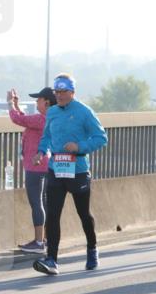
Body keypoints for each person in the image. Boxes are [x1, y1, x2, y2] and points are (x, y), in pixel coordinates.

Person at [32, 73, 108, 276]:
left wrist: (79, 146)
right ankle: (51, 260)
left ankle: (92, 249)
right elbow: (47, 135)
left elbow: (101, 137)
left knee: (83, 214)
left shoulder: (84, 112)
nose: (59, 95)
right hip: (56, 169)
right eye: (56, 92)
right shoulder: (53, 112)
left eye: (63, 92)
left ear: (72, 92)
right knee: (53, 215)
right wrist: (41, 151)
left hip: (78, 170)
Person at [7, 86, 55, 253]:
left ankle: (38, 241)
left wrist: (9, 104)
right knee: (44, 202)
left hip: (35, 166)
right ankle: (46, 239)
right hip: (45, 165)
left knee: (36, 202)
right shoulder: (47, 118)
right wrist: (17, 105)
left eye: (39, 99)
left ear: (47, 102)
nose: (36, 101)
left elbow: (18, 120)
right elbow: (25, 119)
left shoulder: (42, 118)